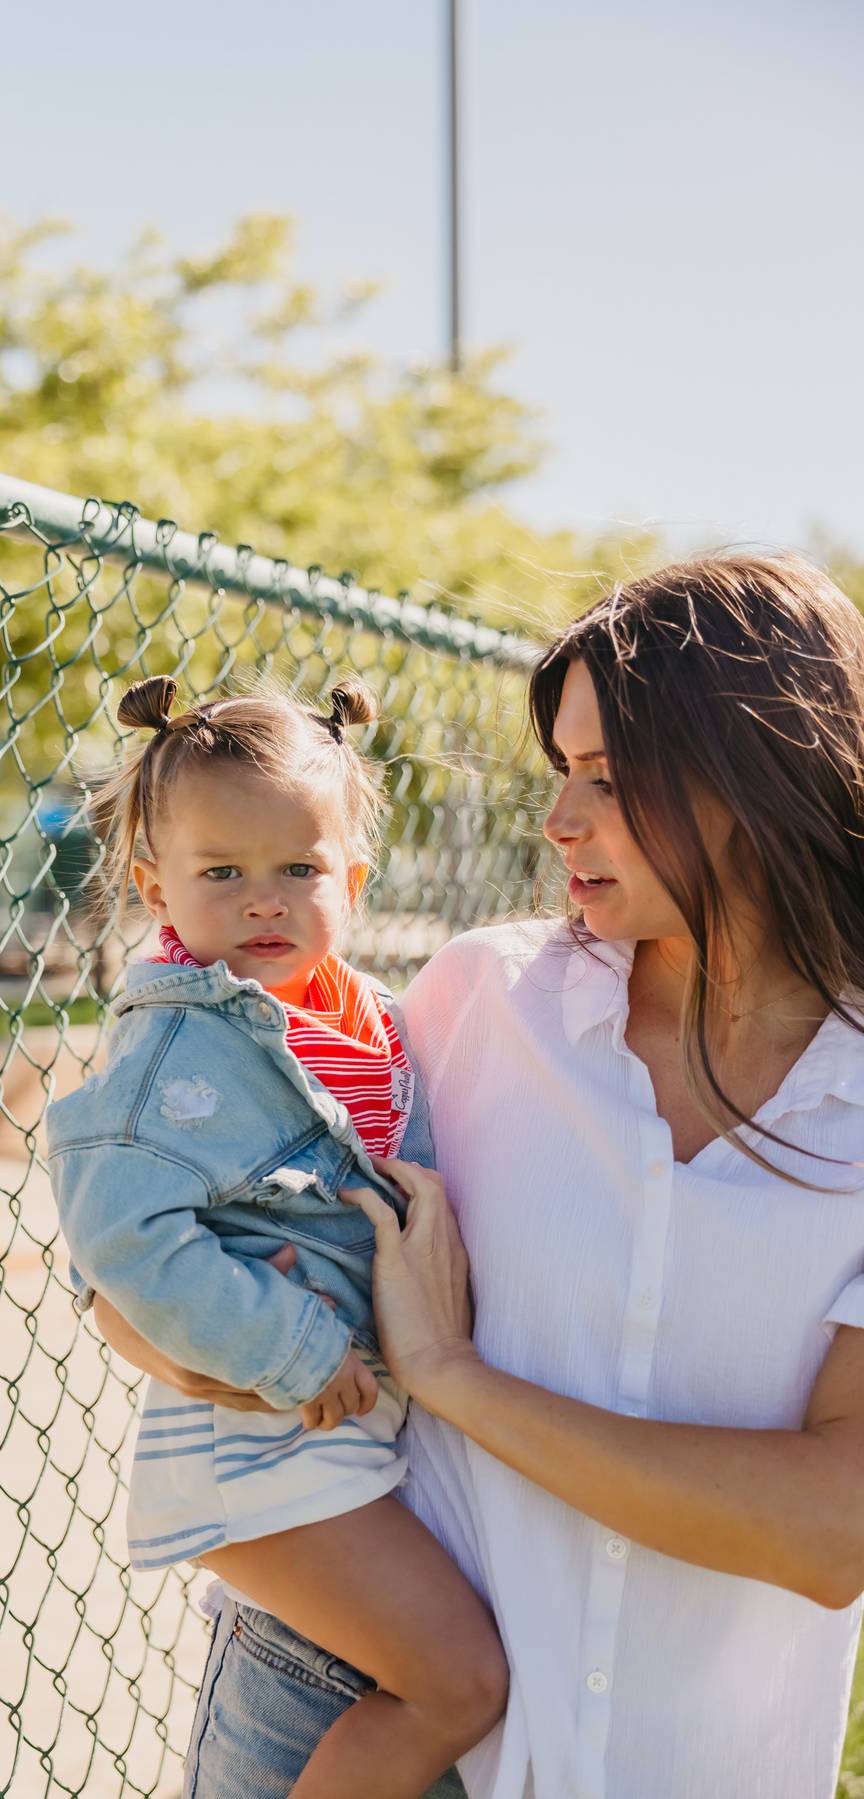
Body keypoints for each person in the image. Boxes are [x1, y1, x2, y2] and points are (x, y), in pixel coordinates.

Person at [93, 555, 864, 1799]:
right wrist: (168, 1318)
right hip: (350, 1695)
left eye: (609, 780)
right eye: (562, 773)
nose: (560, 822)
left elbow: (837, 1529)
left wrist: (455, 1378)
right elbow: (192, 1226)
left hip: (680, 1758)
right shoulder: (474, 1000)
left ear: (762, 777)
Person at [46, 676, 508, 1797]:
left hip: (345, 1432)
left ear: (351, 875)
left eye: (298, 869)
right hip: (259, 1430)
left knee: (455, 1676)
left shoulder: (373, 1017)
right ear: (155, 885)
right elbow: (125, 1240)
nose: (265, 900)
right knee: (459, 1682)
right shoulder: (177, 1048)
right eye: (222, 873)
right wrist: (299, 1348)